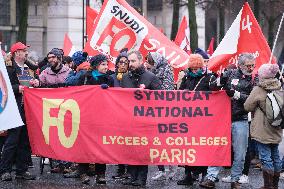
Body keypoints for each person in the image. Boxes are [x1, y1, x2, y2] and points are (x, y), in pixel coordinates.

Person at [200, 53, 257, 189]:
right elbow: (212, 87)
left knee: (240, 152)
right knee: (218, 148)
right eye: (248, 66)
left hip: (241, 119)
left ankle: (235, 179)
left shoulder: (255, 78)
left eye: (252, 65)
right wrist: (220, 80)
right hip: (223, 118)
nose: (250, 68)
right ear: (240, 65)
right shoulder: (231, 73)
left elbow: (253, 98)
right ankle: (211, 177)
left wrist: (236, 94)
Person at [64, 54, 113, 185]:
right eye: (103, 64)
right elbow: (74, 90)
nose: (106, 67)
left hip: (102, 117)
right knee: (84, 144)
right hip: (85, 115)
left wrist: (109, 91)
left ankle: (100, 173)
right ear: (96, 65)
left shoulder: (109, 79)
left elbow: (115, 95)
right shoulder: (85, 76)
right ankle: (83, 171)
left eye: (106, 64)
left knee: (101, 145)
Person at [121, 50, 161, 187]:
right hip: (129, 120)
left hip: (145, 121)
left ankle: (141, 178)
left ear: (140, 61)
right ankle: (132, 176)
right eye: (129, 62)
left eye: (133, 61)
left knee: (142, 150)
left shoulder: (151, 77)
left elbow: (160, 98)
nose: (130, 64)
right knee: (130, 148)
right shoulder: (125, 78)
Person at [0, 42, 39, 181]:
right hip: (15, 108)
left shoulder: (29, 68)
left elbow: (36, 80)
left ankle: (21, 170)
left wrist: (36, 82)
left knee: (24, 141)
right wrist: (18, 88)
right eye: (23, 51)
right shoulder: (9, 68)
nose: (26, 53)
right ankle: (5, 170)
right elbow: (5, 85)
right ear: (17, 53)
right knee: (12, 141)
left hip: (28, 109)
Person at [177, 54, 216, 186]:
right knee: (187, 146)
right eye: (192, 68)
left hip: (204, 119)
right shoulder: (187, 77)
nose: (194, 71)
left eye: (197, 68)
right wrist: (184, 92)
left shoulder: (209, 77)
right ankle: (188, 174)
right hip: (188, 118)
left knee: (203, 146)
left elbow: (215, 95)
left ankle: (204, 174)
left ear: (201, 66)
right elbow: (179, 92)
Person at [244, 63, 283, 189]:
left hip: (262, 129)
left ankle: (268, 185)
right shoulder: (279, 87)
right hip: (276, 126)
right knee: (275, 155)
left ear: (262, 75)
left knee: (265, 158)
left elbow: (247, 106)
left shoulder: (258, 89)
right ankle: (275, 185)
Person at [145, 52, 176, 181]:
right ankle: (162, 169)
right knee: (157, 141)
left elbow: (165, 89)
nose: (150, 65)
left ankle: (172, 168)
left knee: (168, 140)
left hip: (166, 109)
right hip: (155, 109)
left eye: (151, 63)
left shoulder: (166, 70)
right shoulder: (154, 71)